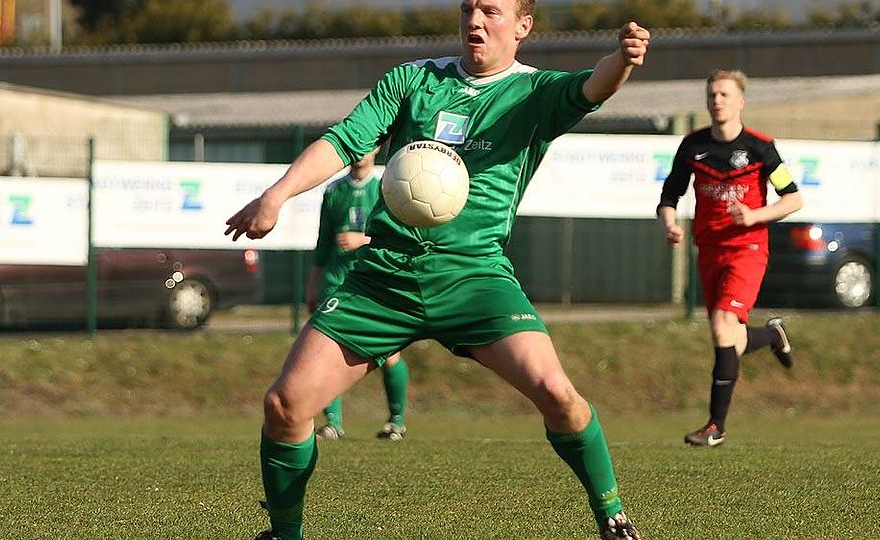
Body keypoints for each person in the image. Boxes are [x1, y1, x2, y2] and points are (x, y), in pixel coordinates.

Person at [225, 0, 650, 538]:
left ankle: (612, 514)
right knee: (285, 405)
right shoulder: (413, 80)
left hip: (474, 276)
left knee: (557, 393)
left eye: (491, 11)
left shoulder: (534, 92)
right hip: (384, 276)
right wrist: (277, 194)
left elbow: (592, 86)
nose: (475, 20)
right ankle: (285, 534)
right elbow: (346, 139)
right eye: (469, 8)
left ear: (523, 26)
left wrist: (623, 59)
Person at [657, 69, 803, 448]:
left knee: (723, 326)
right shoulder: (693, 146)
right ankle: (771, 335)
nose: (716, 101)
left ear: (741, 101)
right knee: (729, 339)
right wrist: (670, 224)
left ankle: (715, 427)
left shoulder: (761, 147)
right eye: (711, 94)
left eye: (724, 94)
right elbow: (670, 195)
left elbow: (793, 198)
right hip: (709, 250)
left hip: (747, 249)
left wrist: (754, 216)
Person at [306, 147, 410, 441]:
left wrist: (362, 240)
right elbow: (323, 243)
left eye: (367, 146)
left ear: (377, 148)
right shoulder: (334, 191)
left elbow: (400, 238)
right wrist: (312, 285)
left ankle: (396, 422)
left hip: (376, 281)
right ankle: (333, 423)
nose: (359, 152)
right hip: (337, 282)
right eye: (356, 145)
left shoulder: (388, 187)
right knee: (327, 354)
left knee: (389, 354)